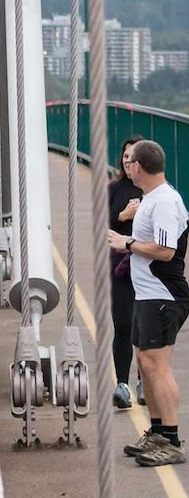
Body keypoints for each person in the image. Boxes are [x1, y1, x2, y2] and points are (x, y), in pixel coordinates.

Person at [108, 140, 189, 467]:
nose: (128, 167)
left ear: (138, 167)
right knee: (145, 362)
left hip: (163, 295)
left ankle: (170, 439)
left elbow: (166, 251)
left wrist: (126, 242)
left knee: (158, 367)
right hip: (147, 294)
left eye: (131, 163)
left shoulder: (165, 201)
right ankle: (156, 433)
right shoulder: (152, 199)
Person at [109, 136, 147, 409]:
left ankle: (143, 381)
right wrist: (123, 216)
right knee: (123, 324)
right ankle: (122, 384)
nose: (128, 161)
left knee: (145, 326)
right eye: (125, 156)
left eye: (133, 156)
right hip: (120, 265)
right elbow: (105, 221)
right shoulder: (114, 189)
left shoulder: (154, 191)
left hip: (148, 265)